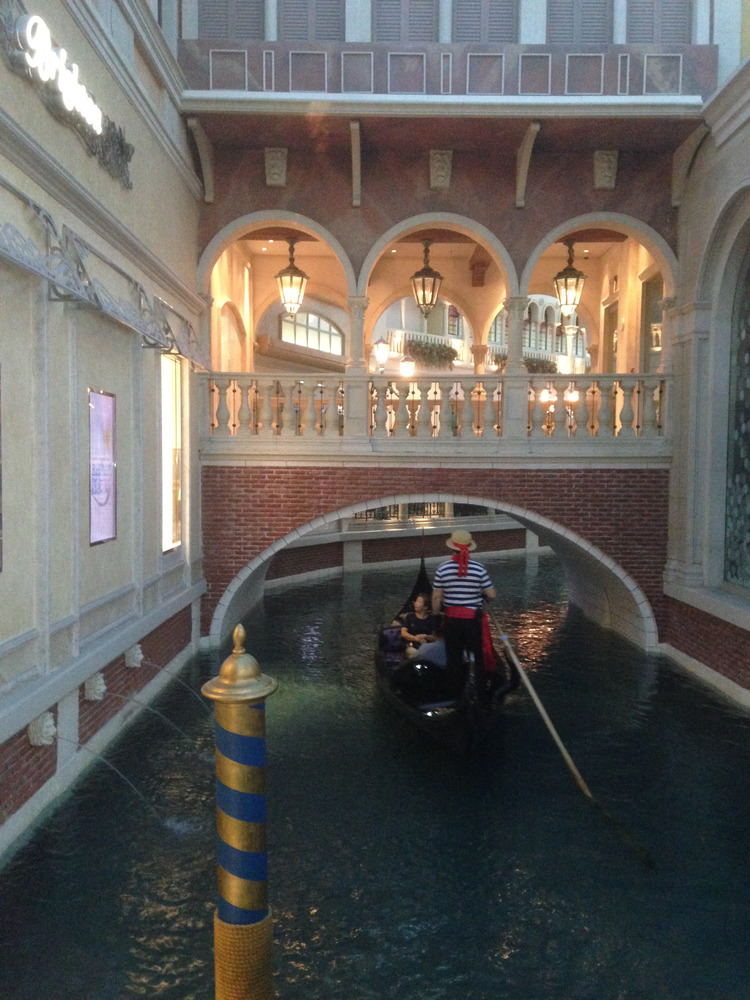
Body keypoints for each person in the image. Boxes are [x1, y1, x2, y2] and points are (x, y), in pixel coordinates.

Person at [431, 529, 496, 698]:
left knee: (454, 657)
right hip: (472, 620)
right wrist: (479, 592)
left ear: (451, 548)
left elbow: (437, 597)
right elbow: (492, 595)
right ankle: (480, 691)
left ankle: (454, 693)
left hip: (452, 620)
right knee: (478, 655)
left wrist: (437, 614)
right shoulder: (479, 569)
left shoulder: (442, 569)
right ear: (470, 547)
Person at [401, 593, 439, 658]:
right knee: (415, 654)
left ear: (425, 607)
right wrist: (415, 638)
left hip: (427, 647)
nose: (415, 604)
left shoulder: (431, 619)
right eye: (416, 601)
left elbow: (436, 637)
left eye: (419, 602)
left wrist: (425, 636)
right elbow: (403, 633)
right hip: (412, 646)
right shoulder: (410, 617)